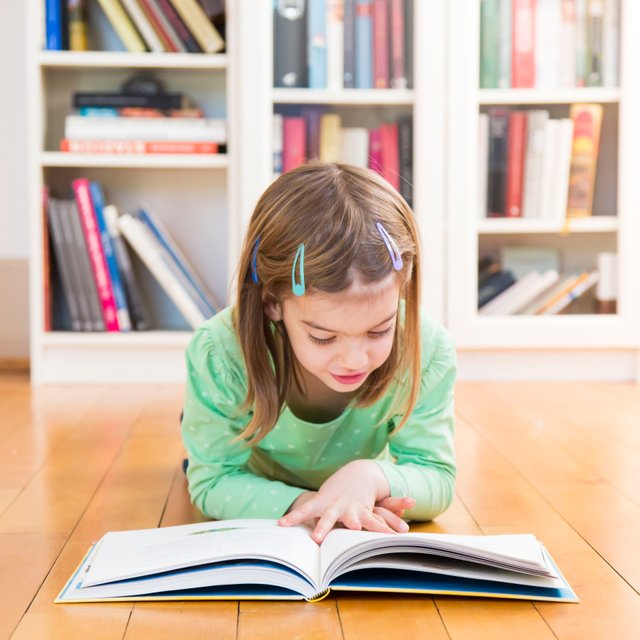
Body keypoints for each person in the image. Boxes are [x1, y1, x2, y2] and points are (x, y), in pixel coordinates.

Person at [181, 162, 456, 544]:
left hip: (357, 487)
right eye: (324, 337)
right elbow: (213, 483)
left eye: (379, 330)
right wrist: (315, 505)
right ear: (272, 303)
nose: (354, 360)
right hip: (259, 474)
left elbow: (437, 477)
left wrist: (370, 477)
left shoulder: (426, 348)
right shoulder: (220, 353)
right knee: (199, 453)